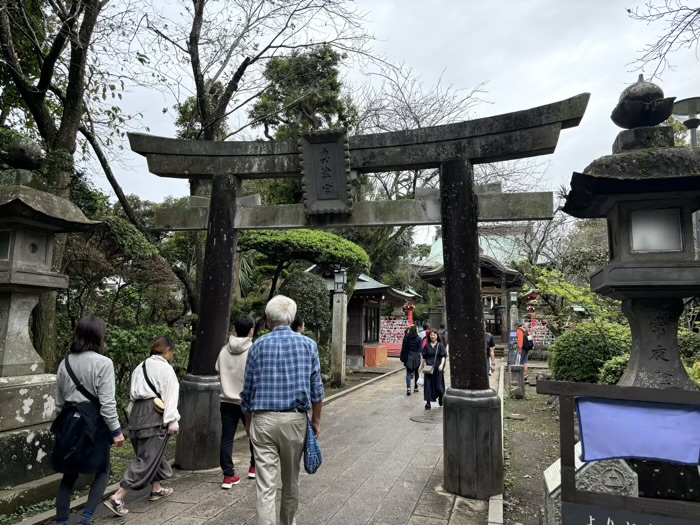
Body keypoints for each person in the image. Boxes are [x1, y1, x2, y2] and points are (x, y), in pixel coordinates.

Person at [241, 295, 324, 525]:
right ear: (292, 318)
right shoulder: (308, 345)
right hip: (294, 421)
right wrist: (316, 421)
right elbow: (316, 389)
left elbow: (247, 390)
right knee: (290, 482)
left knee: (265, 486)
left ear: (268, 319)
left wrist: (248, 423)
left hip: (263, 420)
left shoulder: (257, 346)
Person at [52, 316, 124, 525]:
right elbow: (107, 403)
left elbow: (59, 402)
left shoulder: (65, 362)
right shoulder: (104, 363)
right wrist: (116, 431)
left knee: (68, 475)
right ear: (99, 336)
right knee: (102, 470)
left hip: (68, 423)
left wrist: (59, 428)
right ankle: (86, 520)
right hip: (94, 425)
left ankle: (62, 522)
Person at [105, 337, 181, 516]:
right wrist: (172, 420)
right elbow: (170, 396)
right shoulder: (165, 368)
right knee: (147, 458)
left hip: (136, 415)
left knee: (151, 453)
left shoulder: (140, 367)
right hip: (154, 414)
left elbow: (133, 395)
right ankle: (117, 497)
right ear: (168, 351)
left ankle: (156, 488)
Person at [216, 315, 256, 489]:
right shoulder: (254, 349)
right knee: (254, 434)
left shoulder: (224, 350)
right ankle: (254, 467)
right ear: (251, 330)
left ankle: (228, 476)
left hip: (226, 400)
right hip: (247, 401)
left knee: (227, 438)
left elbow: (217, 368)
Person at [420, 330, 447, 410]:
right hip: (428, 369)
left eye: (434, 335)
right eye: (431, 335)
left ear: (437, 336)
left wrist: (442, 365)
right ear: (429, 336)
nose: (432, 336)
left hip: (438, 369)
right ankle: (428, 402)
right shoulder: (427, 346)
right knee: (428, 385)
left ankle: (440, 397)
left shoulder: (440, 346)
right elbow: (424, 357)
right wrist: (421, 366)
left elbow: (443, 356)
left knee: (439, 386)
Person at [400, 325, 422, 395]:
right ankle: (416, 387)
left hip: (409, 356)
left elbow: (403, 346)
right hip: (416, 356)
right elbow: (420, 349)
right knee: (416, 372)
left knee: (408, 373)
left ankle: (408, 388)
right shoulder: (419, 339)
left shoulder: (407, 337)